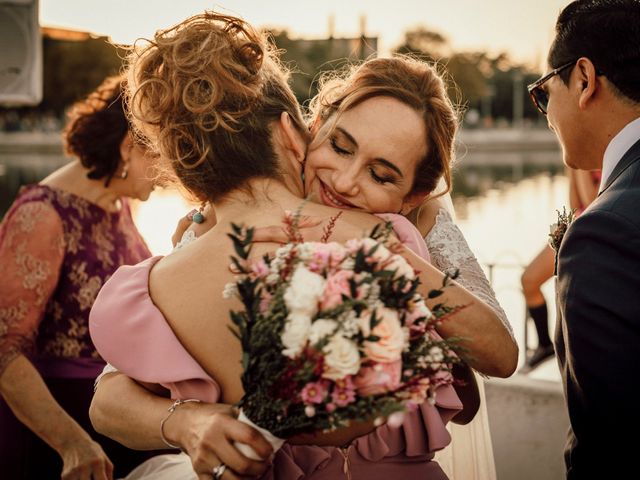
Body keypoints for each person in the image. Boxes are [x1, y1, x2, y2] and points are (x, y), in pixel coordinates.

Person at [89, 12, 516, 479]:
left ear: (412, 195)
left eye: (381, 174)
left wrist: (383, 248)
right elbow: (109, 397)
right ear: (307, 128)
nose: (347, 182)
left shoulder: (415, 226)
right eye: (340, 146)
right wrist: (188, 422)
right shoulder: (212, 230)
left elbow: (501, 355)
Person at [0, 76, 159, 479]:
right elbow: (4, 350)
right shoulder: (41, 214)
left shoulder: (116, 204)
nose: (168, 171)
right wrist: (72, 442)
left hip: (114, 418)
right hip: (59, 438)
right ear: (128, 146)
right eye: (159, 154)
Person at [527, 0, 640, 477]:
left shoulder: (604, 232)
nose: (545, 111)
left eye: (541, 92)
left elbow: (610, 447)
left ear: (584, 79)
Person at [520, 167, 600, 370]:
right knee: (529, 280)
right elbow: (576, 205)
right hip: (577, 225)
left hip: (596, 231)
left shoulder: (603, 154)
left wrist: (580, 166)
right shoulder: (579, 158)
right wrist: (572, 166)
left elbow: (593, 205)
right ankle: (545, 344)